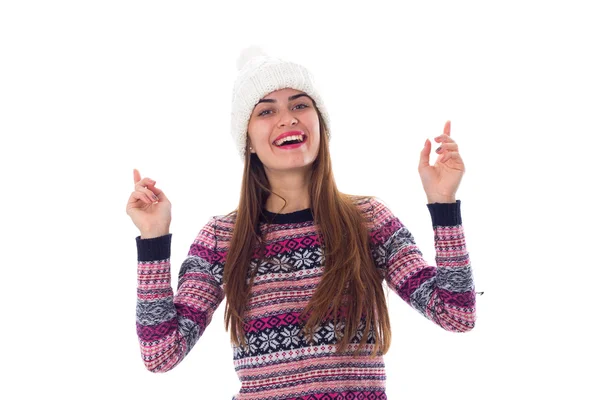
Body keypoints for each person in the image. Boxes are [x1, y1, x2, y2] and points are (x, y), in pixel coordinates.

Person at [125, 46, 478, 400]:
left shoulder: (368, 220)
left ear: (319, 123)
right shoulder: (223, 238)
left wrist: (443, 204)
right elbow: (161, 354)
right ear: (247, 140)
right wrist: (153, 240)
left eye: (299, 105)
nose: (287, 119)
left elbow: (456, 313)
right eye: (266, 110)